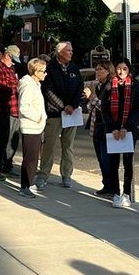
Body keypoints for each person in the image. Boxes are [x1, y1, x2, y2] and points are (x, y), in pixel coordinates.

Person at [37, 41, 85, 189]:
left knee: (68, 146)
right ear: (60, 52)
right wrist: (63, 107)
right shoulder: (50, 68)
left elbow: (79, 87)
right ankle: (43, 175)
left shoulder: (74, 68)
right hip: (55, 113)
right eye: (68, 50)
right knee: (49, 146)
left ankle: (66, 175)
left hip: (72, 114)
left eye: (71, 50)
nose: (71, 53)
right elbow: (48, 91)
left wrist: (74, 105)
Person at [100, 58, 139, 209]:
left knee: (127, 163)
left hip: (129, 131)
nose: (121, 72)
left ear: (129, 70)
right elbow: (104, 108)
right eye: (119, 68)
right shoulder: (109, 85)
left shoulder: (135, 85)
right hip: (113, 130)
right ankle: (116, 193)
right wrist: (113, 127)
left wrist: (127, 127)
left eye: (124, 69)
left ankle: (126, 193)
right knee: (113, 163)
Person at [0, 44, 20, 181]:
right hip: (2, 110)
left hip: (14, 109)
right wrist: (15, 87)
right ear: (8, 55)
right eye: (13, 59)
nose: (14, 62)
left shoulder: (11, 69)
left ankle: (7, 166)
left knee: (13, 141)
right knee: (1, 140)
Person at [17, 58, 47, 198]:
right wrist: (38, 117)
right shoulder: (28, 85)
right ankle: (25, 186)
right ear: (35, 72)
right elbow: (24, 107)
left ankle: (29, 183)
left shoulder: (35, 84)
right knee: (30, 159)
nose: (45, 74)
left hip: (36, 127)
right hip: (30, 126)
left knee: (33, 158)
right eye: (42, 71)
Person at [84, 60, 115, 196]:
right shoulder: (98, 86)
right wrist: (90, 98)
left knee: (106, 159)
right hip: (96, 126)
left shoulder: (110, 86)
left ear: (108, 71)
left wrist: (91, 97)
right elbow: (91, 107)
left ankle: (111, 186)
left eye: (100, 69)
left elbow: (106, 106)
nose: (97, 72)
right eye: (96, 69)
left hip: (106, 127)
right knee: (101, 159)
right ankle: (106, 185)